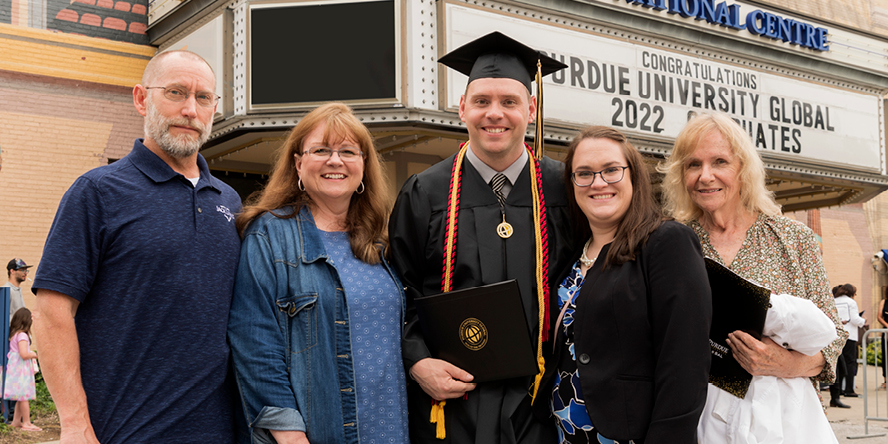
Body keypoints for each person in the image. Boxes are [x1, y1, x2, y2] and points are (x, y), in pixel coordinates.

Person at [32, 50, 242, 443]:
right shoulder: (97, 191)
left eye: (202, 98)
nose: (189, 110)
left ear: (214, 108)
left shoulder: (229, 200)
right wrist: (75, 425)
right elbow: (51, 313)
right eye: (176, 92)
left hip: (220, 431)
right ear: (141, 98)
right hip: (123, 431)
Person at [389, 32, 575, 443]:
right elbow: (397, 290)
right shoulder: (425, 191)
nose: (495, 114)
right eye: (481, 101)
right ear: (462, 109)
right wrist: (417, 362)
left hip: (543, 405)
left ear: (531, 107)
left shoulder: (564, 188)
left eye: (509, 101)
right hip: (451, 405)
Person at [659, 112, 846, 442]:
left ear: (743, 169)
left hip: (785, 424)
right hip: (699, 425)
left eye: (720, 162)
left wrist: (788, 365)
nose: (706, 176)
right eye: (693, 164)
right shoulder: (670, 243)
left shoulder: (792, 238)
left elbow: (835, 333)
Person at [228, 102, 408, 444]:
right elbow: (255, 345)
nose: (335, 160)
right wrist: (290, 435)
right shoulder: (268, 236)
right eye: (321, 150)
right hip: (318, 432)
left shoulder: (383, 238)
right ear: (298, 163)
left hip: (392, 427)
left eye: (348, 151)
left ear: (364, 165)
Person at [530, 126, 712, 443]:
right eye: (584, 173)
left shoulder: (666, 243)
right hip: (565, 434)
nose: (598, 183)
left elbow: (685, 364)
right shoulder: (573, 254)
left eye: (612, 170)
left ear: (633, 176)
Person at [3, 308, 40, 432]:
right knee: (24, 397)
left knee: (20, 396)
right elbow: (24, 354)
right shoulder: (23, 335)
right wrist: (34, 354)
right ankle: (27, 423)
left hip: (15, 368)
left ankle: (16, 421)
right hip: (21, 369)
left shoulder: (14, 334)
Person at [831, 284, 865, 403]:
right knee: (850, 362)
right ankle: (849, 389)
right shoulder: (851, 302)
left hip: (836, 335)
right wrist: (863, 322)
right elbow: (855, 319)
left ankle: (838, 389)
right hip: (849, 335)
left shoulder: (834, 301)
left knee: (839, 363)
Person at [3, 259, 31, 324]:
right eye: (22, 270)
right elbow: (5, 318)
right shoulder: (6, 290)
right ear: (12, 271)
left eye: (26, 270)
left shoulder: (17, 290)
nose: (25, 273)